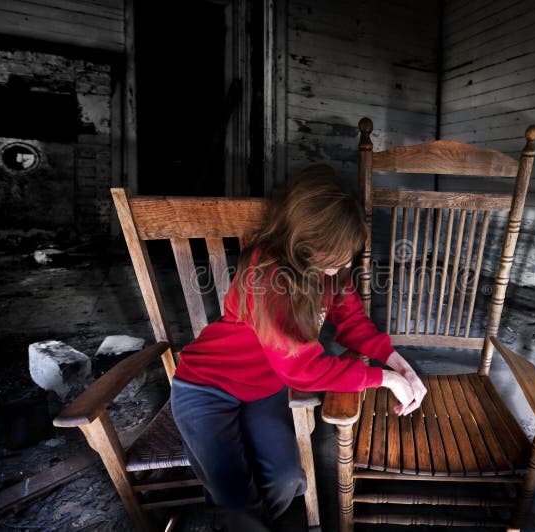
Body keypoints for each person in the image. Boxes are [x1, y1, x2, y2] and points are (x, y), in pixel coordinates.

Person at [171, 165, 427, 530]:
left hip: (262, 390)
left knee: (287, 481)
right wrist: (382, 378)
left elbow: (353, 322)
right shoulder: (266, 275)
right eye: (334, 256)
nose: (343, 265)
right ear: (303, 242)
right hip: (205, 388)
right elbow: (301, 370)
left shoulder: (331, 271)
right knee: (236, 500)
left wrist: (399, 364)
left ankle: (235, 508)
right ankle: (229, 496)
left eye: (346, 257)